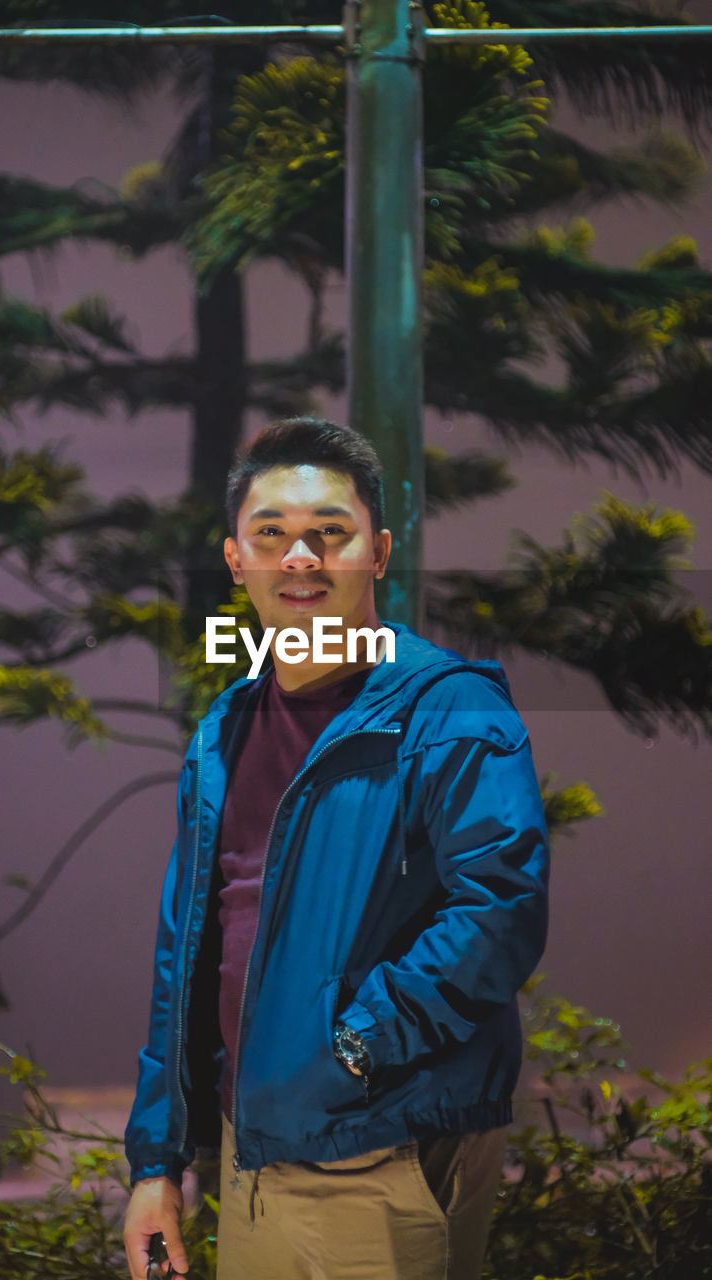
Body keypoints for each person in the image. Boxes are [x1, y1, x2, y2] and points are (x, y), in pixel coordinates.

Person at [123, 417, 550, 1280]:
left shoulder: (446, 709)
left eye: (331, 532)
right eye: (271, 534)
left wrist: (354, 1044)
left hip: (379, 1142)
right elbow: (188, 958)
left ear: (380, 552)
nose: (301, 557)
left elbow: (501, 905)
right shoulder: (224, 729)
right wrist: (156, 1163)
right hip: (254, 1147)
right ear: (237, 559)